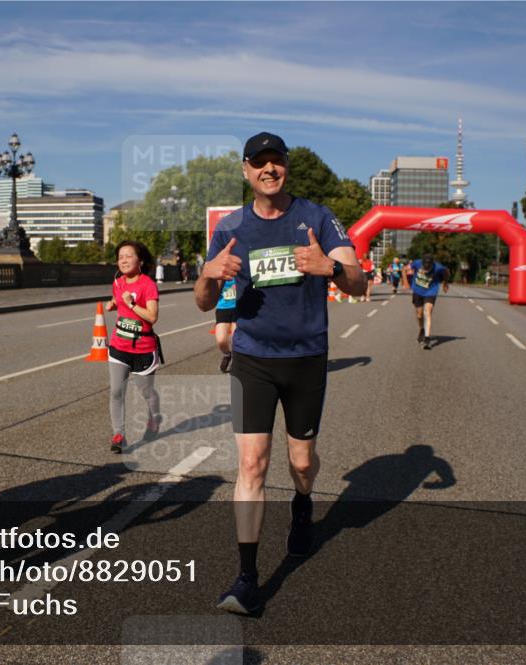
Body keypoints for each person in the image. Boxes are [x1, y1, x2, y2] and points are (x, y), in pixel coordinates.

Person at [194, 132, 366, 614]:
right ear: (246, 171)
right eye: (259, 163)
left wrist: (328, 267)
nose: (269, 169)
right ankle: (246, 578)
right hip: (251, 359)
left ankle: (303, 504)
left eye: (276, 161)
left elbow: (360, 282)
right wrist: (208, 274)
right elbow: (204, 300)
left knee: (303, 464)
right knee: (251, 466)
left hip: (307, 359)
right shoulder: (230, 226)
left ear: (285, 167)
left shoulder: (316, 217)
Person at [105, 241, 162, 453]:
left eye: (129, 256)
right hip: (119, 346)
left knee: (146, 392)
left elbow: (152, 316)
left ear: (140, 261)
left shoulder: (148, 285)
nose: (124, 260)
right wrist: (113, 304)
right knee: (116, 391)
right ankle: (118, 434)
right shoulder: (118, 282)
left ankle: (154, 418)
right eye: (121, 257)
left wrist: (130, 304)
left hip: (144, 349)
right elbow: (117, 298)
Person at [403, 252, 450, 350]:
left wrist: (445, 283)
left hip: (431, 291)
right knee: (419, 315)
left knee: (427, 312)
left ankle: (427, 340)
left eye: (428, 268)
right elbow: (404, 269)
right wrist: (406, 282)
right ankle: (421, 329)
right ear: (422, 263)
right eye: (425, 267)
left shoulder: (438, 267)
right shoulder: (416, 263)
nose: (426, 270)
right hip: (417, 290)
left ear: (432, 264)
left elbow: (446, 271)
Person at [214, 279, 237, 373]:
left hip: (238, 308)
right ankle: (227, 355)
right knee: (221, 340)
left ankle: (237, 360)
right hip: (222, 308)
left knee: (236, 339)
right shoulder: (220, 273)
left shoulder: (240, 270)